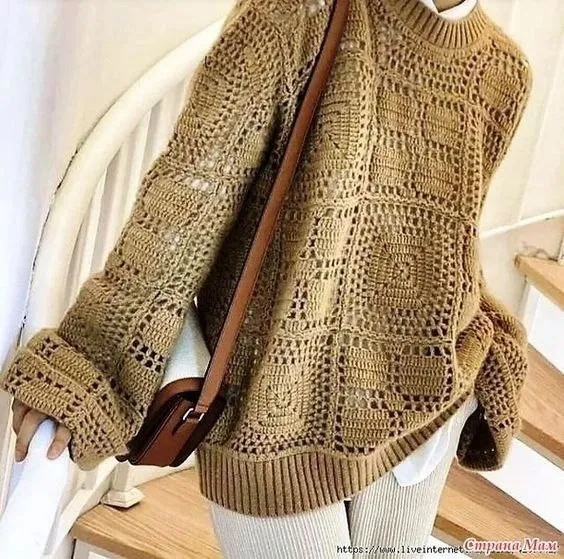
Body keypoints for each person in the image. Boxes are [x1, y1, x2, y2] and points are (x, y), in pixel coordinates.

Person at [2, 0, 532, 556]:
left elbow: (444, 233)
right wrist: (90, 362)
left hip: (423, 406)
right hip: (274, 411)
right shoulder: (293, 15)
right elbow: (187, 198)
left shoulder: (503, 71)